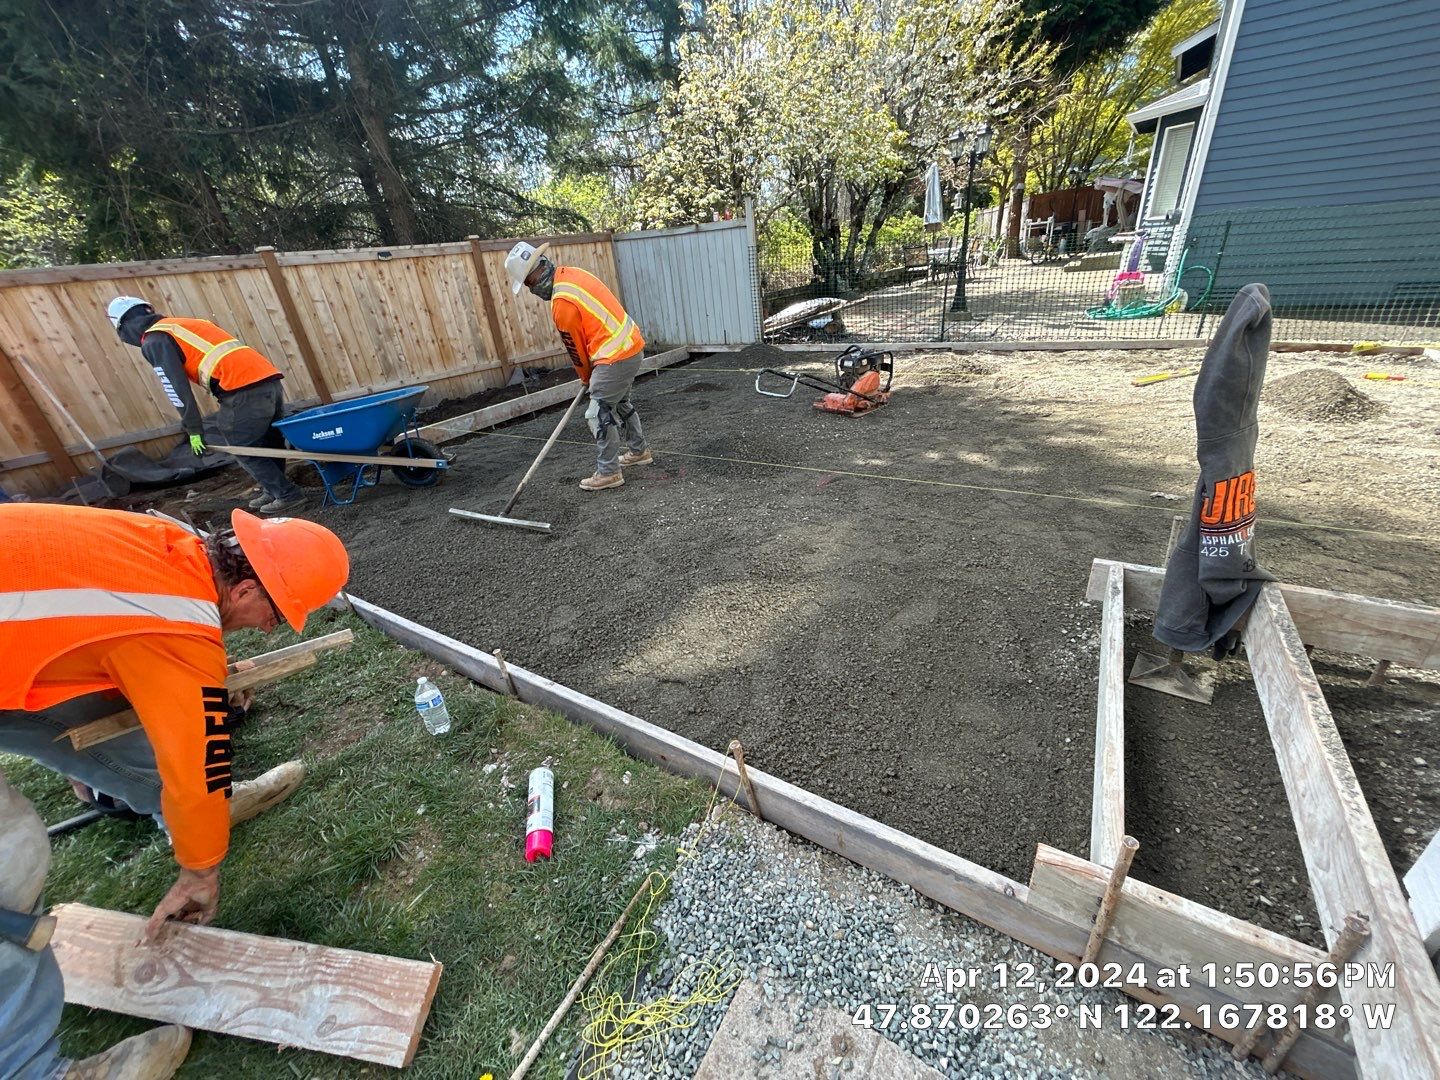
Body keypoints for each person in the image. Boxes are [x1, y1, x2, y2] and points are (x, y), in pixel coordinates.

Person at [0, 504, 350, 1078]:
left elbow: (109, 627)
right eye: (275, 613)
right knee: (9, 862)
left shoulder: (170, 545)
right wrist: (200, 871)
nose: (271, 628)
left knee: (111, 707)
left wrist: (199, 668)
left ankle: (198, 818)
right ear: (240, 590)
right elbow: (199, 762)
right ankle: (27, 1068)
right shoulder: (173, 630)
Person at [106, 298, 307, 514]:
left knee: (242, 445)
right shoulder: (182, 325)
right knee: (266, 440)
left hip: (240, 388)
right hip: (268, 381)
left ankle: (287, 494)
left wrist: (193, 429)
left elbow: (176, 388)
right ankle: (273, 488)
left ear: (124, 327)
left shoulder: (155, 340)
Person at [504, 242, 652, 490]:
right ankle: (639, 452)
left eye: (529, 285)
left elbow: (576, 351)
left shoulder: (562, 303)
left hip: (614, 355)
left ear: (534, 277)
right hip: (630, 345)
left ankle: (609, 472)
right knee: (620, 402)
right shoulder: (572, 274)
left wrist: (586, 378)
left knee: (598, 413)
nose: (532, 292)